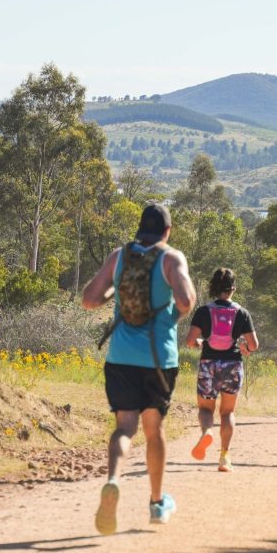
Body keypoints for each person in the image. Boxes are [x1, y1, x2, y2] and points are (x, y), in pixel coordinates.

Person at [82, 203, 196, 535]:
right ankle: (157, 502)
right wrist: (171, 314)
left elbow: (89, 299)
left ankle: (113, 479)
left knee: (124, 428)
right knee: (153, 429)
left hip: (121, 357)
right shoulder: (172, 258)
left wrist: (114, 295)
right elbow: (187, 301)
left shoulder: (120, 256)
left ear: (139, 229)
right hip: (159, 358)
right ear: (167, 231)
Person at [185, 268, 259, 472]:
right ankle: (224, 457)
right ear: (233, 288)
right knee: (227, 413)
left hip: (209, 364)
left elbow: (190, 341)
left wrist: (200, 343)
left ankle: (206, 432)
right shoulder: (242, 313)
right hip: (233, 364)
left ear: (213, 287)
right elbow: (254, 345)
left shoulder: (203, 311)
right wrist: (244, 346)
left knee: (205, 409)